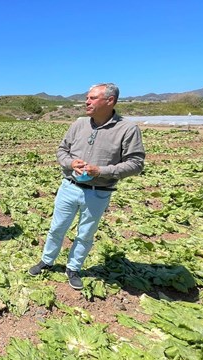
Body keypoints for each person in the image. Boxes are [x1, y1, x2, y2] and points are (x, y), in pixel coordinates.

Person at [29, 83, 145, 290]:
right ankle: (47, 261)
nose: (87, 101)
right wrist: (70, 163)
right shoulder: (79, 124)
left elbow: (136, 163)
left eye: (92, 98)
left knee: (85, 234)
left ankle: (73, 268)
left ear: (109, 101)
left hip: (98, 192)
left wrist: (101, 171)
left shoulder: (127, 129)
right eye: (87, 97)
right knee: (57, 228)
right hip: (69, 187)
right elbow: (62, 150)